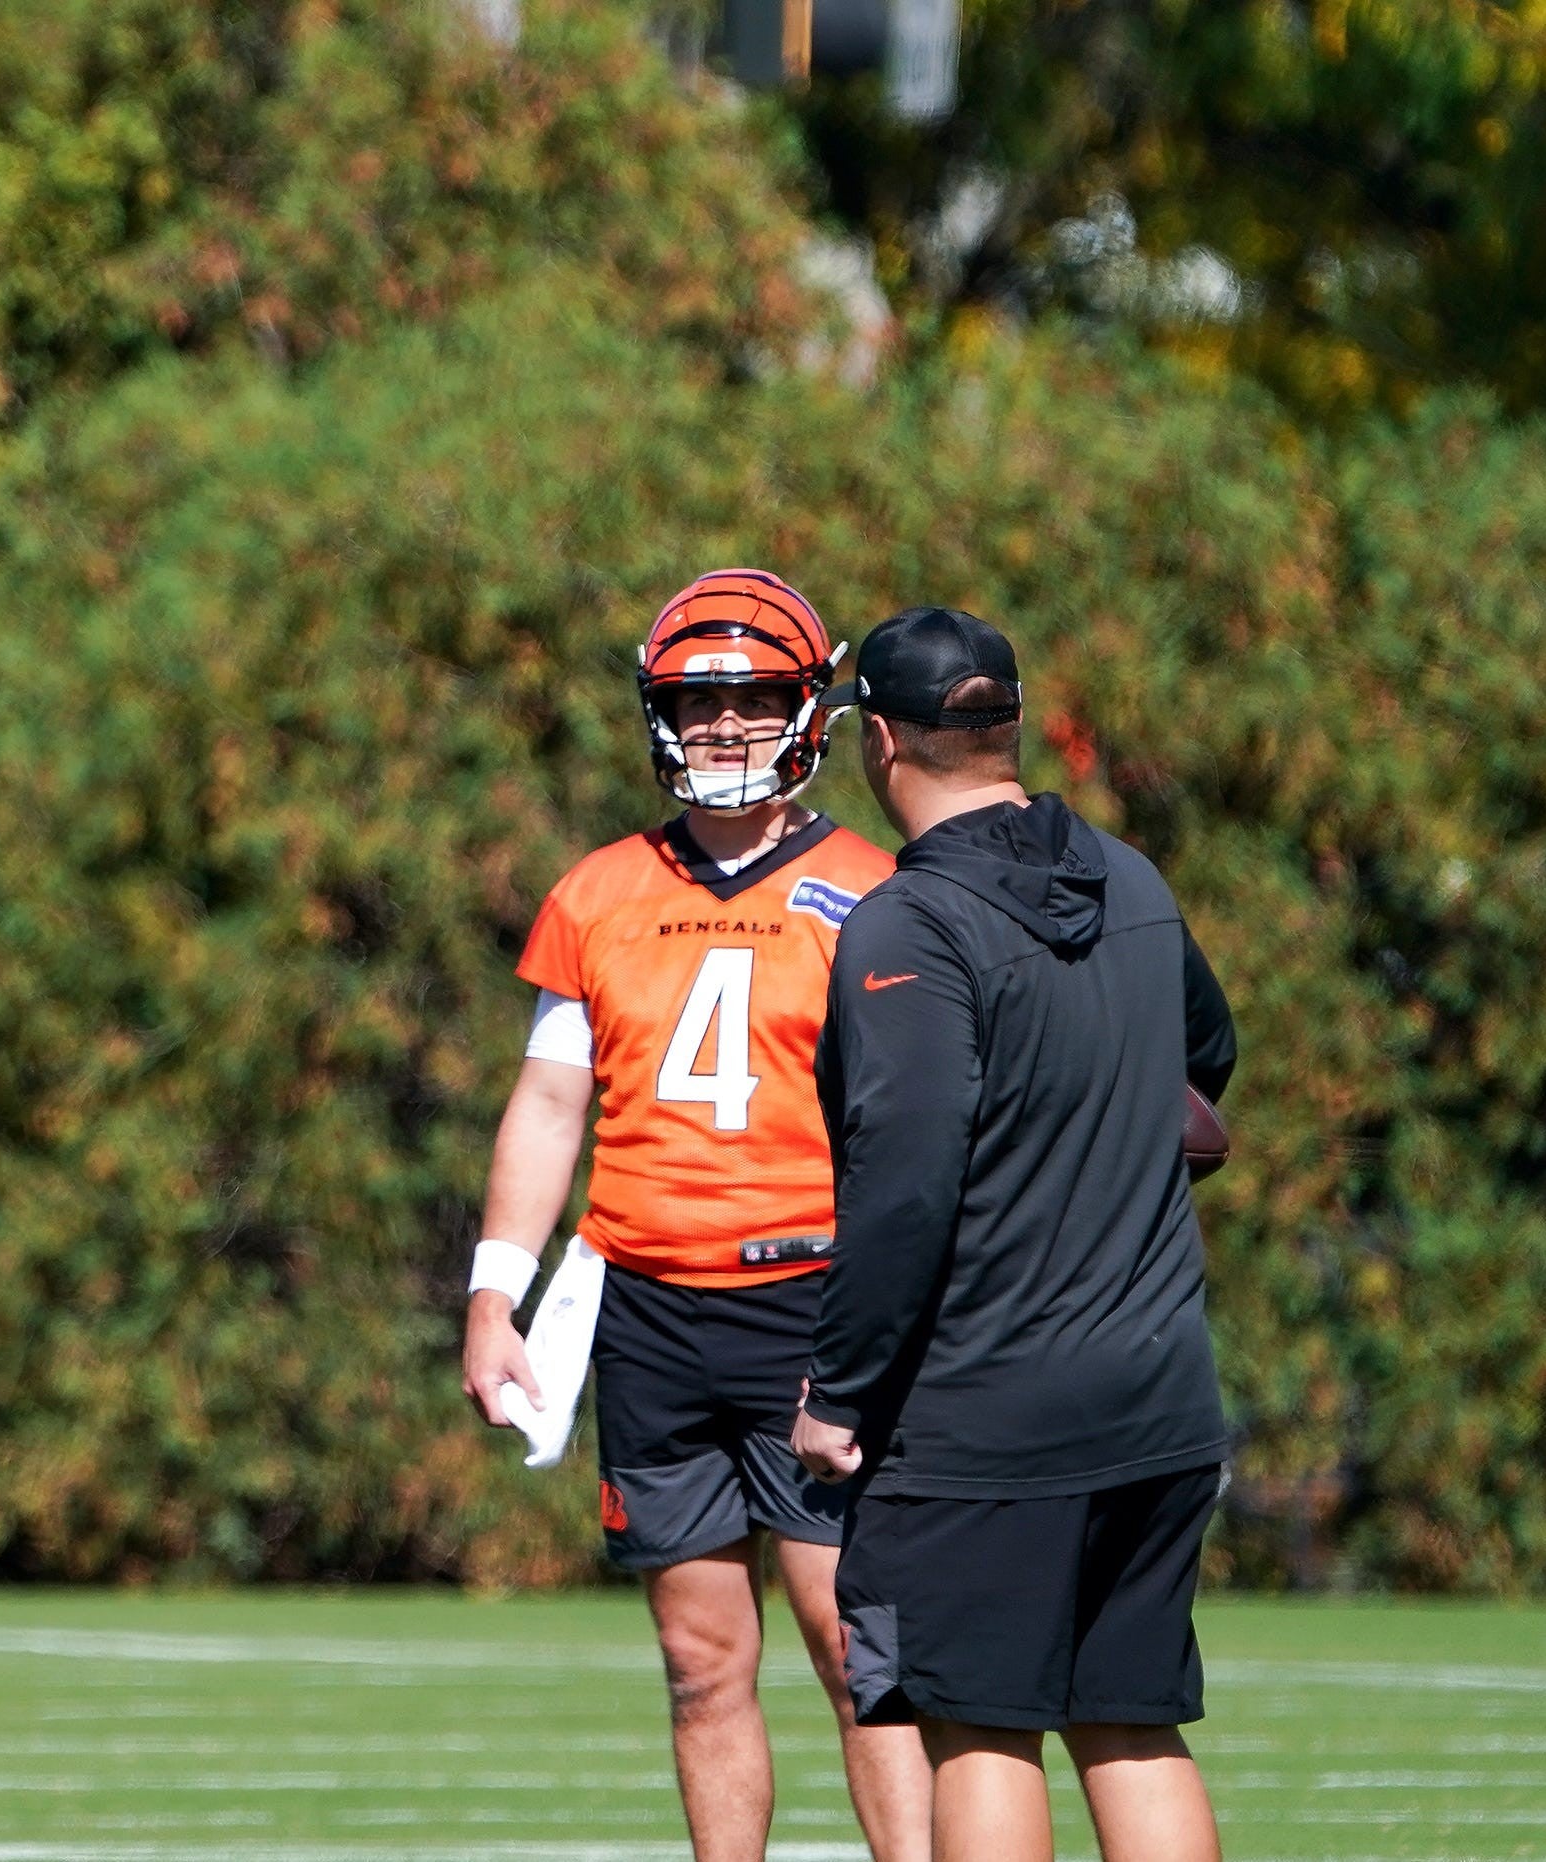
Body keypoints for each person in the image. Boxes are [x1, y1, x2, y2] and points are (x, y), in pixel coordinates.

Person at [462, 570, 930, 1862]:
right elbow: (552, 1102)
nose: (725, 724)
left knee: (858, 1650)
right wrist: (494, 1292)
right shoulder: (599, 888)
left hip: (814, 1302)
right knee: (698, 1656)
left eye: (756, 696)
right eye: (697, 698)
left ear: (811, 704)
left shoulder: (879, 893)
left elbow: (917, 1128)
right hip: (652, 1310)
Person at [791, 606, 1238, 1862]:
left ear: (878, 739)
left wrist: (841, 1387)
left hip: (988, 1406)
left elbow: (907, 1178)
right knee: (1132, 1723)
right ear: (1009, 724)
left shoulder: (907, 921)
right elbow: (1205, 1058)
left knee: (975, 1728)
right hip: (1158, 1390)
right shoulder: (1131, 877)